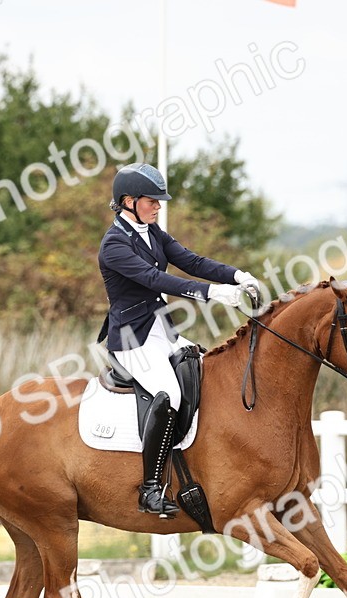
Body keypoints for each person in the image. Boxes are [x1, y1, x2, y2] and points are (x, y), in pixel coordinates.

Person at [97, 162, 258, 518]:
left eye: (158, 201)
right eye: (151, 200)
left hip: (160, 328)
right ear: (128, 201)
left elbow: (191, 261)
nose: (158, 206)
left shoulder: (153, 233)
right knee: (166, 395)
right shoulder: (114, 245)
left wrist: (236, 275)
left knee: (205, 375)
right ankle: (150, 488)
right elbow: (156, 280)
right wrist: (213, 294)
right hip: (131, 339)